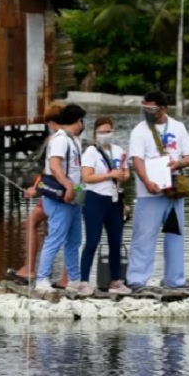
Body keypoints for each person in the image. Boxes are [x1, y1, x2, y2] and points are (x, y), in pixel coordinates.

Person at [126, 91, 189, 290]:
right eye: (145, 108)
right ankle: (137, 279)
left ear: (164, 108)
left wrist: (178, 163)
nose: (148, 112)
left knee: (175, 236)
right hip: (150, 192)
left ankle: (175, 280)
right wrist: (146, 181)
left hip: (174, 191)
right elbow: (137, 160)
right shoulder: (139, 131)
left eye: (152, 109)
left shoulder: (178, 127)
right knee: (144, 235)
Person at [8, 102, 69, 288]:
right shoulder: (70, 138)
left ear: (51, 122)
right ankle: (64, 277)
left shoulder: (57, 139)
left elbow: (53, 169)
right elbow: (47, 171)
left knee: (49, 228)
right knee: (66, 233)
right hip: (62, 192)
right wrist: (36, 186)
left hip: (57, 193)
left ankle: (32, 270)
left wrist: (37, 189)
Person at [34, 104, 90, 294]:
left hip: (74, 197)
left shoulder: (73, 140)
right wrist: (67, 185)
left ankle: (74, 279)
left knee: (74, 239)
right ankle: (42, 278)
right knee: (55, 237)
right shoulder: (60, 140)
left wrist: (77, 188)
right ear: (78, 121)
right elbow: (55, 165)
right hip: (60, 195)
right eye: (82, 121)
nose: (83, 125)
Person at [80, 117, 132, 295]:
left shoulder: (118, 150)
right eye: (102, 132)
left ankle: (116, 280)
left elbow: (125, 172)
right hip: (95, 198)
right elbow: (87, 177)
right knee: (92, 241)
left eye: (108, 131)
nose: (105, 135)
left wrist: (123, 175)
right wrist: (110, 174)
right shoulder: (91, 152)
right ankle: (84, 281)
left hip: (114, 199)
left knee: (115, 241)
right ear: (95, 134)